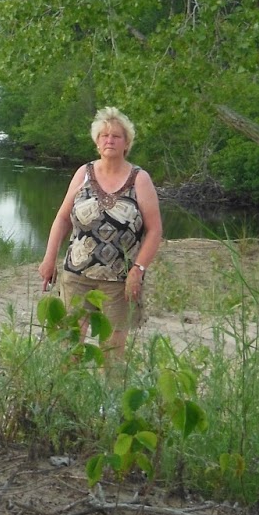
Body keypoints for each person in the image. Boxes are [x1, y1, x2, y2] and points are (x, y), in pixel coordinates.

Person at [38, 106, 163, 356]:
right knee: (70, 345)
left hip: (120, 280)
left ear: (126, 143)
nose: (110, 140)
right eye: (104, 136)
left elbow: (154, 230)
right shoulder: (83, 174)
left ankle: (110, 384)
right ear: (97, 142)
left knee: (112, 351)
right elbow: (62, 218)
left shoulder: (140, 179)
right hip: (77, 273)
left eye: (116, 136)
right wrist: (49, 258)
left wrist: (138, 270)